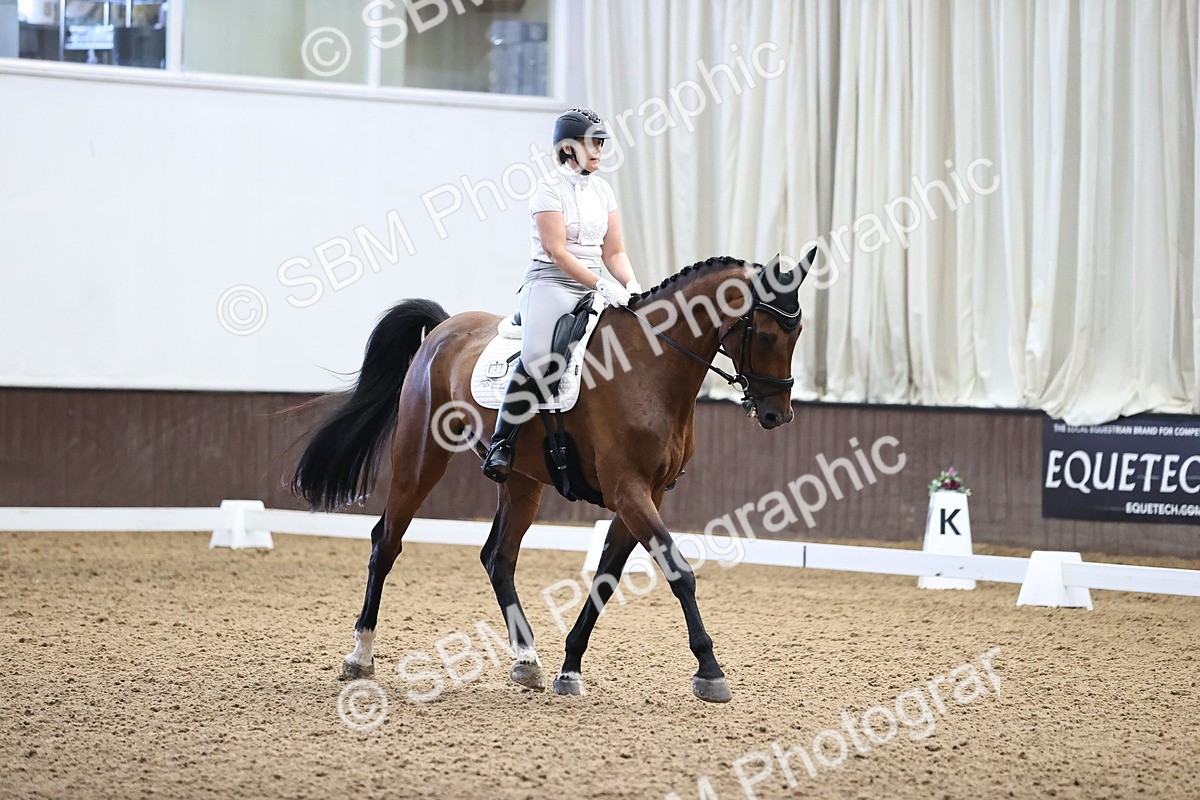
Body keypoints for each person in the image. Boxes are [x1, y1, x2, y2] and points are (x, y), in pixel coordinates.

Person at [481, 108, 641, 483]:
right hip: (550, 283)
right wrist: (600, 285)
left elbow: (614, 251)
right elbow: (557, 251)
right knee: (539, 357)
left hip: (596, 283)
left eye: (602, 142)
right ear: (569, 149)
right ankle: (502, 442)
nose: (600, 150)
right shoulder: (549, 189)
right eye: (593, 143)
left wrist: (631, 286)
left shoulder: (603, 190)